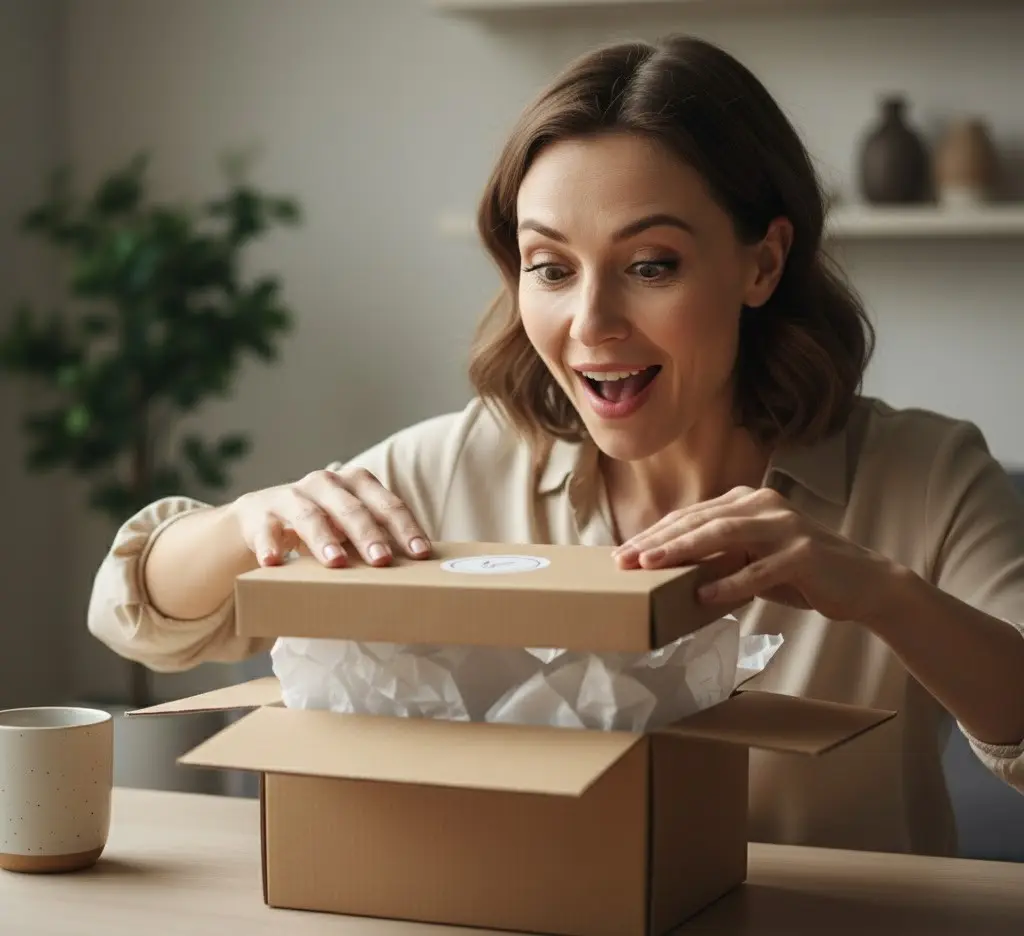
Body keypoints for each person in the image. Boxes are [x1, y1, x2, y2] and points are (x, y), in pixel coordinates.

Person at [87, 35, 1023, 856]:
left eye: (650, 266)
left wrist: (882, 594)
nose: (591, 323)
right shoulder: (450, 470)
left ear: (762, 262)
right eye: (551, 268)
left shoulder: (925, 477)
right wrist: (245, 522)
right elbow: (134, 618)